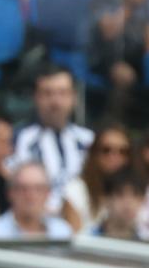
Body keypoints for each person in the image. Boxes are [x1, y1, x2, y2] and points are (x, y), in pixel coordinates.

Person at [9, 66, 94, 213]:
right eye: (47, 93)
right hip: (34, 222)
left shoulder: (89, 140)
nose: (55, 102)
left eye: (63, 93)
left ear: (74, 97)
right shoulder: (17, 139)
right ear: (36, 97)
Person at [0, 161, 74, 239]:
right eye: (23, 189)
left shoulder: (63, 232)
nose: (31, 196)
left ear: (48, 193)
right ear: (10, 193)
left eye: (38, 189)